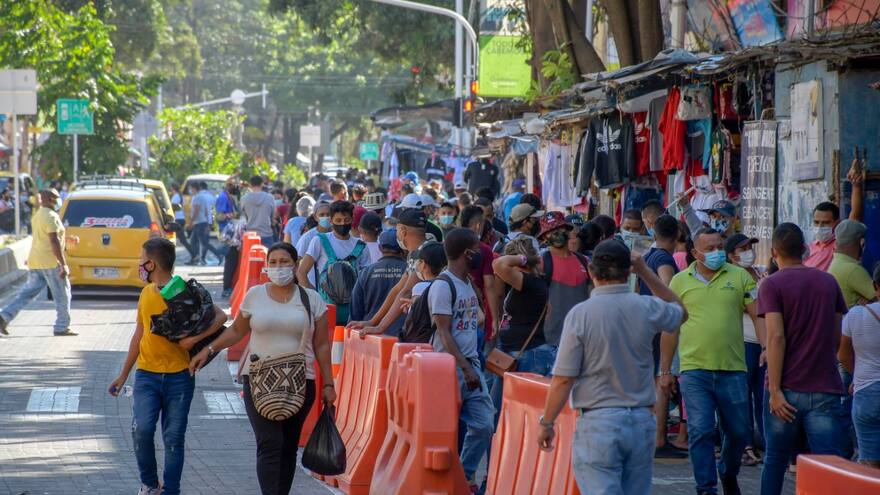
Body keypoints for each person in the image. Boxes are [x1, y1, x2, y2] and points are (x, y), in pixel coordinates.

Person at [538, 240, 687, 495]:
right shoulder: (646, 307)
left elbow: (564, 379)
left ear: (592, 272)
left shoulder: (581, 314)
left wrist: (547, 422)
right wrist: (646, 272)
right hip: (641, 420)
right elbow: (681, 312)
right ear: (628, 272)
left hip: (599, 422)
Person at [188, 242, 335, 495]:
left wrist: (329, 385)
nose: (278, 267)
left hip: (301, 381)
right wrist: (208, 350)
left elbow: (322, 345)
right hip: (258, 379)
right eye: (273, 262)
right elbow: (236, 331)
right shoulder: (255, 295)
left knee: (288, 446)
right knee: (270, 443)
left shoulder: (311, 299)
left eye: (284, 262)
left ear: (296, 264)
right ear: (267, 265)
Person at [109, 238, 228, 495]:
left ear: (151, 264)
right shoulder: (145, 293)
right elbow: (138, 335)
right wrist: (123, 375)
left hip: (180, 377)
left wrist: (194, 340)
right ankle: (150, 485)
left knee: (173, 439)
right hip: (146, 376)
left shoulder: (182, 289)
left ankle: (171, 490)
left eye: (141, 260)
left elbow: (221, 316)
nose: (139, 265)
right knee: (142, 430)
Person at [662, 227, 760, 495]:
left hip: (734, 369)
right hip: (695, 370)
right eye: (710, 248)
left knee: (740, 432)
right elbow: (670, 328)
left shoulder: (740, 276)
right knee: (701, 429)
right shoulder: (680, 281)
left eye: (720, 247)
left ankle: (728, 473)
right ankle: (706, 488)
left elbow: (758, 316)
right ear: (695, 252)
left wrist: (766, 348)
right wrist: (665, 371)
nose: (717, 252)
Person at [758, 223, 848, 495]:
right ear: (805, 249)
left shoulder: (771, 285)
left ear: (774, 252)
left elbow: (775, 338)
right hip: (824, 386)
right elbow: (836, 336)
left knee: (775, 459)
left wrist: (774, 390)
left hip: (785, 389)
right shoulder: (828, 282)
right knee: (828, 463)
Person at [426, 228, 494, 491]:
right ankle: (447, 482)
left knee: (484, 423)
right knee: (446, 431)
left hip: (470, 363)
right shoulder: (443, 286)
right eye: (476, 249)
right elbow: (443, 331)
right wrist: (466, 368)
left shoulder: (466, 282)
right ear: (467, 254)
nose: (480, 254)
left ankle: (464, 476)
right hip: (449, 368)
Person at [637, 214, 688, 459]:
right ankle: (658, 440)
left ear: (654, 234)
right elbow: (668, 288)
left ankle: (654, 438)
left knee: (657, 382)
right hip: (662, 328)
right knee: (663, 383)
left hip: (649, 326)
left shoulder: (648, 256)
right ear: (677, 235)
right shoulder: (663, 258)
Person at [489, 237, 554, 412]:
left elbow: (498, 264)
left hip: (527, 354)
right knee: (499, 410)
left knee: (518, 411)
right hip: (515, 353)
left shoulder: (529, 282)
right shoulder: (527, 284)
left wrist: (523, 258)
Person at [0, 189, 75, 337]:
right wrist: (63, 263)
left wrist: (67, 240)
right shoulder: (52, 216)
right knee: (63, 295)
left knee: (26, 294)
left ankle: (4, 316)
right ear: (50, 200)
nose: (58, 200)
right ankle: (62, 326)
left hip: (36, 262)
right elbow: (53, 241)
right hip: (50, 263)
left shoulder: (38, 215)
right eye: (56, 198)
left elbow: (47, 239)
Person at [348, 209, 430, 337]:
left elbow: (406, 292)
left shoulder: (421, 253)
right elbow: (397, 289)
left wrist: (380, 327)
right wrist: (372, 322)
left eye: (397, 230)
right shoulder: (421, 250)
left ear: (402, 230)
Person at [724, 233, 768, 466]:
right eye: (743, 248)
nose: (749, 251)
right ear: (731, 255)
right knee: (744, 397)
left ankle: (766, 444)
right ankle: (746, 446)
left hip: (762, 343)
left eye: (750, 246)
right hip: (744, 342)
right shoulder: (732, 277)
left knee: (762, 395)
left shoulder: (758, 273)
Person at [297, 200, 371, 323]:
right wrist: (316, 298)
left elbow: (367, 279)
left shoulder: (361, 246)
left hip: (353, 310)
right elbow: (301, 272)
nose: (343, 224)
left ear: (352, 219)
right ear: (331, 221)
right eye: (338, 221)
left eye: (346, 220)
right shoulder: (319, 240)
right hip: (325, 309)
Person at [839, 265, 880, 468]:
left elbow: (843, 354)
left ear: (875, 286)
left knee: (869, 461)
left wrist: (856, 375)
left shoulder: (855, 315)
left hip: (866, 392)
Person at [537, 212, 591, 348]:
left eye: (559, 229)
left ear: (567, 229)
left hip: (583, 339)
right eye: (550, 231)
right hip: (551, 341)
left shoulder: (584, 261)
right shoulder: (541, 263)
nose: (556, 234)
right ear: (544, 237)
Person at [350, 229, 408, 337]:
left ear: (380, 248)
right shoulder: (411, 272)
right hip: (403, 339)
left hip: (370, 336)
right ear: (403, 248)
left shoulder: (366, 273)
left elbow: (355, 311)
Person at [828, 219, 876, 308]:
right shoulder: (853, 269)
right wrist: (872, 301)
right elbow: (877, 296)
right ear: (861, 242)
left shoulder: (836, 263)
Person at [188, 181, 224, 266]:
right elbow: (207, 211)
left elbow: (196, 211)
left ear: (194, 188)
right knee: (195, 241)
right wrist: (208, 222)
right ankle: (196, 258)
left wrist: (191, 222)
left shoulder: (197, 197)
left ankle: (218, 254)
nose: (190, 191)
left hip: (199, 222)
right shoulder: (202, 197)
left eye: (191, 189)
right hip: (202, 222)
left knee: (203, 243)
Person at [240, 176, 277, 246]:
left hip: (250, 235)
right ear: (262, 184)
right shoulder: (270, 198)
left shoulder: (244, 199)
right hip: (267, 234)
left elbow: (243, 217)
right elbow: (273, 218)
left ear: (250, 185)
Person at [804, 202, 841, 271]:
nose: (819, 227)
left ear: (837, 223)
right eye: (816, 222)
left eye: (826, 223)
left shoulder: (839, 247)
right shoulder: (810, 248)